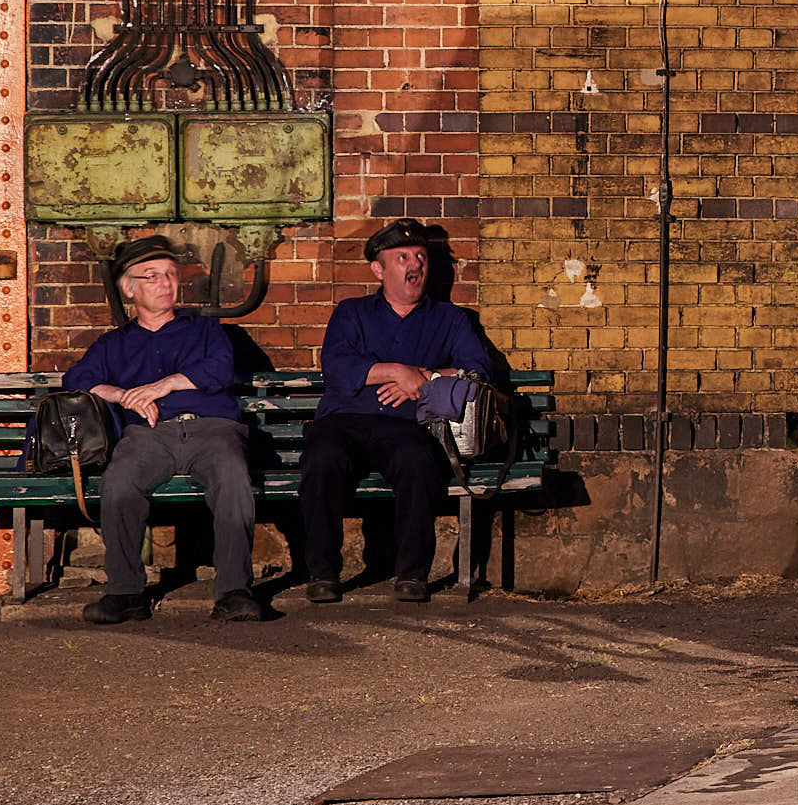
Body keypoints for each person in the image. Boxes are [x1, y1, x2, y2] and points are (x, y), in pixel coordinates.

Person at [63, 235, 264, 625]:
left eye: (171, 275)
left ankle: (234, 591)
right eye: (152, 276)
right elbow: (79, 380)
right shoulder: (113, 344)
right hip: (148, 435)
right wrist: (123, 395)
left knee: (233, 478)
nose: (166, 283)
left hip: (213, 430)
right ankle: (125, 593)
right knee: (120, 483)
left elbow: (219, 370)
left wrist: (164, 385)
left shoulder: (204, 330)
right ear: (129, 288)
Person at [298, 218, 497, 603]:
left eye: (420, 256)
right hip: (345, 422)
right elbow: (337, 368)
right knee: (322, 459)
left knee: (419, 461)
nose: (415, 264)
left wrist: (424, 377)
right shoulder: (352, 312)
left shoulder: (450, 319)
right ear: (379, 268)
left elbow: (478, 370)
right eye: (402, 257)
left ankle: (412, 574)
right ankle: (322, 572)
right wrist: (395, 371)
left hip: (408, 424)